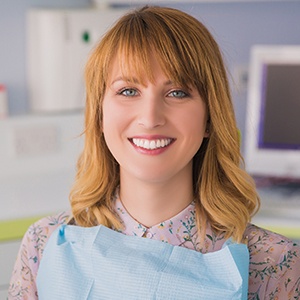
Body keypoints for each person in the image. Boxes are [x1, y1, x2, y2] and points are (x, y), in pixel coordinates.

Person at [8, 5, 299, 300]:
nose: (150, 118)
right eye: (128, 91)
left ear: (210, 117)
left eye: (177, 92)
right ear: (99, 115)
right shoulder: (43, 244)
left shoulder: (273, 264)